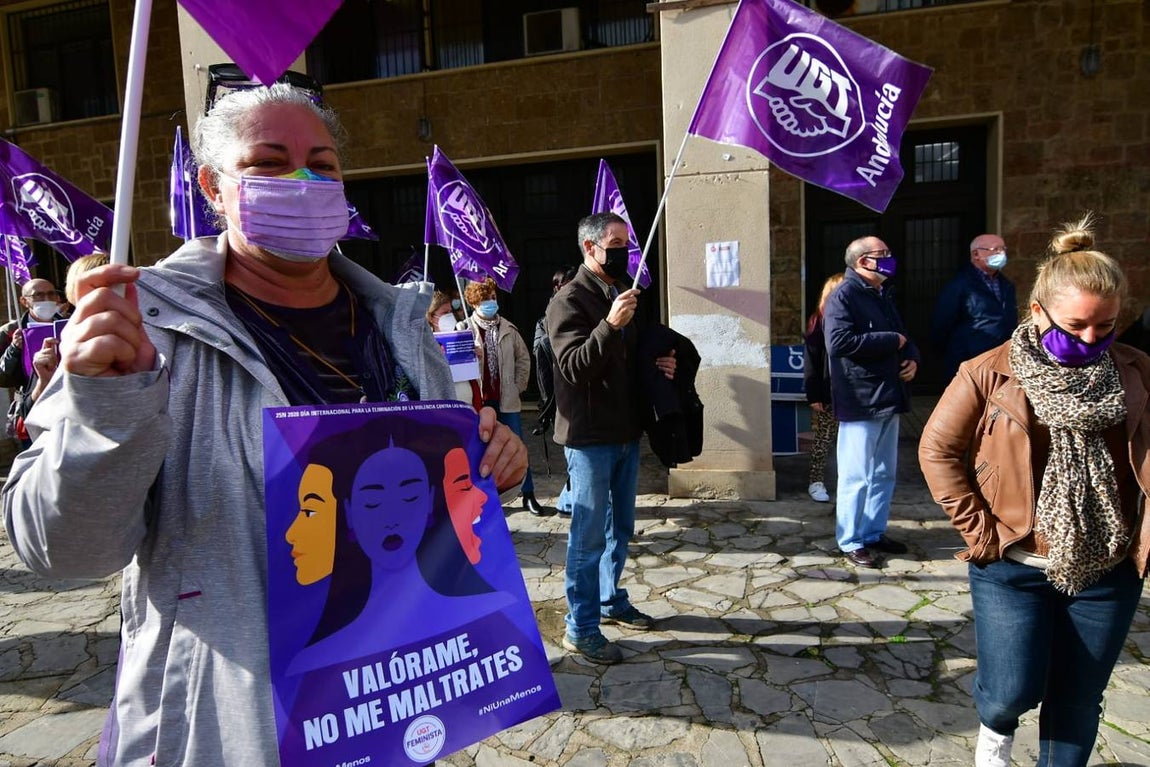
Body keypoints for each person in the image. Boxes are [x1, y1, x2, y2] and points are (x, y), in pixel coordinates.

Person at [1, 82, 527, 766]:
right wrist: (109, 409)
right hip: (236, 726)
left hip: (387, 702)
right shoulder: (144, 328)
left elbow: (443, 496)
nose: (303, 180)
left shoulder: (400, 324)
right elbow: (61, 548)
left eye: (324, 163)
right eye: (271, 162)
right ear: (213, 188)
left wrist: (493, 461)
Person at [918, 215, 1150, 767]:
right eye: (1076, 327)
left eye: (1106, 327)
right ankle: (994, 729)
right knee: (1009, 692)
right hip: (1012, 566)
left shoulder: (1138, 372)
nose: (1092, 340)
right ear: (1037, 312)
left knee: (1077, 698)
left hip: (1107, 569)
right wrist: (983, 532)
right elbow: (937, 451)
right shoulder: (986, 373)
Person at [547, 212, 676, 664]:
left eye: (627, 241)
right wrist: (610, 325)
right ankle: (580, 628)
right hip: (589, 438)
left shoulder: (625, 294)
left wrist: (660, 367)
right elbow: (574, 366)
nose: (624, 250)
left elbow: (631, 362)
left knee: (619, 528)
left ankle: (608, 597)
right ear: (590, 248)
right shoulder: (569, 300)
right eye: (616, 242)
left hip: (625, 432)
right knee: (587, 536)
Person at [823, 235, 919, 569]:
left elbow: (905, 335)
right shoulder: (844, 296)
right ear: (863, 261)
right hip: (861, 399)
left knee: (883, 473)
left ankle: (873, 532)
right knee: (856, 475)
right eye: (884, 254)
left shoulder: (881, 294)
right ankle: (850, 539)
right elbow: (838, 343)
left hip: (889, 396)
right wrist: (892, 341)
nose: (891, 258)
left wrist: (912, 358)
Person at [461, 277, 551, 516]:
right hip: (478, 399)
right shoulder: (464, 330)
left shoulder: (508, 328)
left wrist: (518, 384)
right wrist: (472, 355)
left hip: (506, 398)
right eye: (484, 299)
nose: (490, 302)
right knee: (480, 452)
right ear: (473, 303)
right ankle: (487, 499)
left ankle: (528, 494)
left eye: (492, 297)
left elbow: (523, 358)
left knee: (516, 445)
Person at [931, 233, 1018, 382]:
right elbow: (943, 323)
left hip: (1001, 358)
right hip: (971, 360)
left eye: (1003, 248)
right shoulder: (960, 284)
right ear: (976, 254)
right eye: (995, 249)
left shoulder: (1005, 284)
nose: (1001, 253)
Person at [534, 265, 579, 516]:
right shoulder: (546, 319)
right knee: (572, 447)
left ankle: (567, 499)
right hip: (559, 396)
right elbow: (540, 355)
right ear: (557, 287)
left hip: (580, 394)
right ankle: (569, 500)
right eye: (567, 283)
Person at [0, 278, 66, 446]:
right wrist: (14, 349)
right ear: (24, 301)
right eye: (38, 295)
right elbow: (3, 378)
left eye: (51, 294)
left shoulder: (72, 323)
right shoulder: (10, 332)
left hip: (69, 408)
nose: (46, 299)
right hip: (33, 410)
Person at [803, 272, 844, 503]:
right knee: (823, 439)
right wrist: (814, 393)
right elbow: (811, 362)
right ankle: (816, 481)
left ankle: (846, 480)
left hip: (850, 393)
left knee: (847, 440)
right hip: (828, 393)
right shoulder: (819, 324)